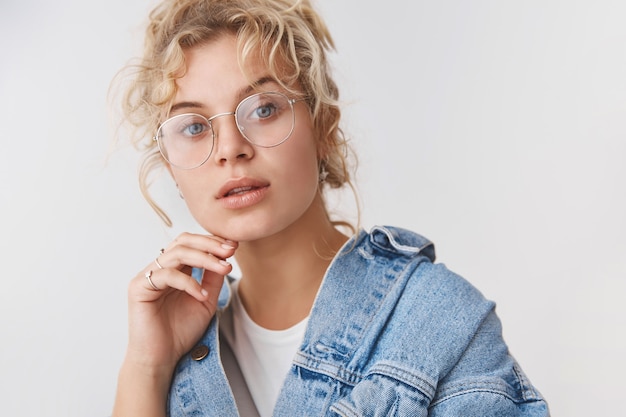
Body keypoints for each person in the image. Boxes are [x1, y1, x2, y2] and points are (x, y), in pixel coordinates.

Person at [111, 0, 549, 416]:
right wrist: (147, 368)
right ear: (170, 167)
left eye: (264, 108)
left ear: (324, 129)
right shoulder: (177, 344)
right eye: (193, 126)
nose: (230, 148)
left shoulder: (439, 321)